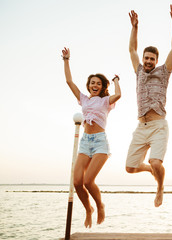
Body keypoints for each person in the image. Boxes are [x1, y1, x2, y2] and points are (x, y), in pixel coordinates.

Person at [126, 3, 172, 207]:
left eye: (152, 59)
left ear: (156, 60)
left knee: (156, 161)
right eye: (146, 58)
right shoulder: (138, 71)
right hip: (141, 126)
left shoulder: (164, 72)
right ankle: (151, 171)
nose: (148, 61)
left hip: (158, 126)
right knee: (130, 168)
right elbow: (132, 49)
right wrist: (135, 28)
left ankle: (159, 188)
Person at [62, 47, 121, 228]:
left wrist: (116, 80)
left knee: (88, 181)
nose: (94, 86)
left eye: (98, 84)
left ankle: (99, 205)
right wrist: (66, 60)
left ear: (102, 87)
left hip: (100, 143)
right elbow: (69, 81)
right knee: (77, 182)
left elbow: (118, 95)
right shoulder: (84, 100)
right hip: (85, 143)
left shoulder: (105, 101)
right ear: (88, 86)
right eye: (92, 83)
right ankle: (88, 209)